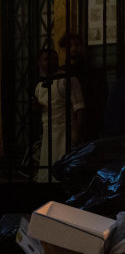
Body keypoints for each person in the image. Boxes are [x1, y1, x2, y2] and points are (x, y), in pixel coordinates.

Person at [34, 48, 84, 182]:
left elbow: (79, 108)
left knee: (63, 172)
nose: (51, 62)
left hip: (66, 133)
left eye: (54, 58)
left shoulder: (67, 79)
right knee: (48, 172)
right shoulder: (39, 85)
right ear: (39, 62)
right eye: (46, 59)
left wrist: (76, 135)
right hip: (48, 135)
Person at [59, 32, 106, 142]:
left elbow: (100, 97)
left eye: (77, 44)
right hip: (67, 121)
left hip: (90, 120)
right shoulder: (62, 73)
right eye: (69, 45)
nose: (74, 48)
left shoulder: (93, 72)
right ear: (63, 49)